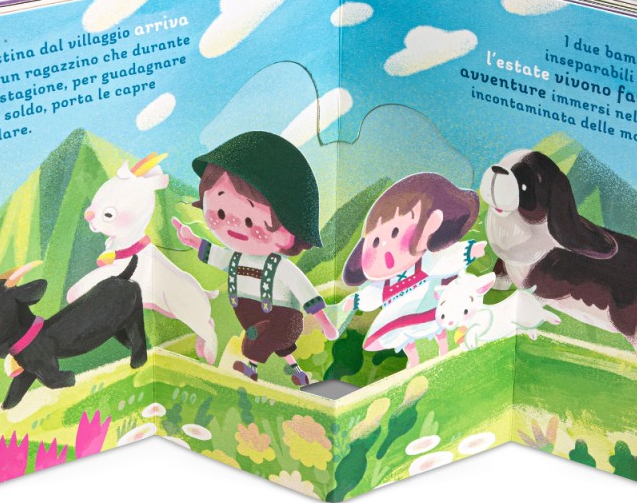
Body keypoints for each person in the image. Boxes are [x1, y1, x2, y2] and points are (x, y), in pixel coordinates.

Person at [174, 131, 338, 386]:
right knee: (280, 348)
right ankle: (298, 373)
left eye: (251, 221)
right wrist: (193, 241)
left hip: (282, 318)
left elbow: (305, 292)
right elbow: (218, 256)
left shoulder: (281, 267)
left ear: (289, 234)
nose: (233, 225)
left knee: (255, 340)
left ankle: (250, 369)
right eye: (220, 212)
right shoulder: (236, 258)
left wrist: (325, 324)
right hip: (249, 311)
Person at [339, 173, 486, 367]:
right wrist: (356, 301)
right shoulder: (383, 284)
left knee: (439, 324)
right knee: (402, 335)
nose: (385, 247)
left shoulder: (427, 262)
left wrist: (469, 251)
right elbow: (372, 295)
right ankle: (413, 360)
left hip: (427, 299)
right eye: (375, 241)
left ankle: (443, 350)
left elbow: (445, 259)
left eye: (395, 232)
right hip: (398, 311)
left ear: (431, 225)